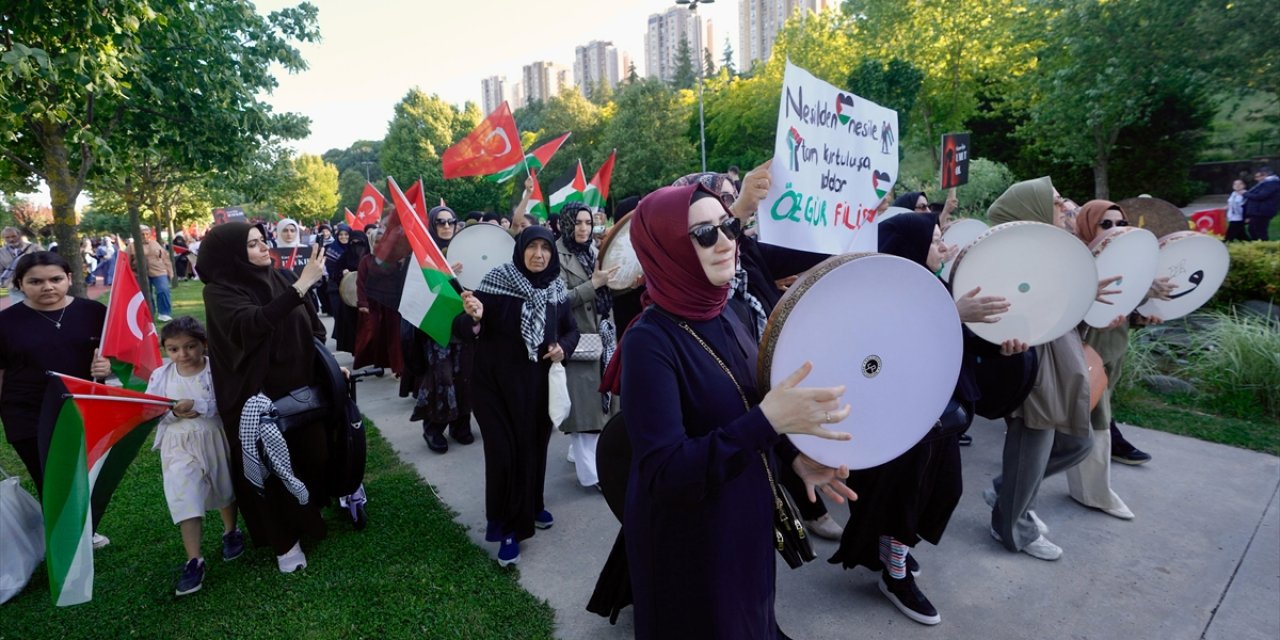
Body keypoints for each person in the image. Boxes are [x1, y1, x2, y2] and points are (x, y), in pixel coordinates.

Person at [615, 183, 856, 639]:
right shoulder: (649, 341)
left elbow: (747, 409)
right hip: (691, 540)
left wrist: (792, 458)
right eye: (704, 233)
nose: (727, 240)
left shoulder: (732, 309)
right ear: (665, 247)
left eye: (728, 225)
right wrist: (769, 422)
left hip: (745, 511)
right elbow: (665, 471)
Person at [830, 213, 1022, 625]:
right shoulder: (875, 293)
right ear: (910, 248)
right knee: (902, 495)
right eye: (936, 240)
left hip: (939, 416)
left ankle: (891, 550)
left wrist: (1000, 348)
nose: (944, 248)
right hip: (901, 419)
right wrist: (952, 310)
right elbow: (882, 352)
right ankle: (894, 573)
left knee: (939, 492)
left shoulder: (932, 285)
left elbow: (960, 343)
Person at [983, 177, 1114, 561]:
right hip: (1033, 370)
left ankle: (1007, 492)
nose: (1066, 207)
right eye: (1056, 202)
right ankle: (1012, 528)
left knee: (1077, 442)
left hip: (1060, 364)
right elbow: (1003, 316)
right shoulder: (1006, 258)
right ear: (1033, 211)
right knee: (1035, 447)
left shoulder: (1049, 253)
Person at [198, 223, 330, 573]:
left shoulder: (281, 278)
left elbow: (313, 325)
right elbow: (254, 324)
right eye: (252, 245)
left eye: (261, 242)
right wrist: (303, 284)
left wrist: (327, 364)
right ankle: (285, 542)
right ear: (231, 256)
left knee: (311, 456)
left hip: (300, 388)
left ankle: (310, 517)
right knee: (271, 471)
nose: (262, 249)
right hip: (254, 397)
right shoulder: (219, 292)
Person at [459, 226, 578, 566]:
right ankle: (507, 527)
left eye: (545, 248)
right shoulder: (497, 281)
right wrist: (477, 320)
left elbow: (571, 330)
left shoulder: (556, 288)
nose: (538, 254)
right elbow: (462, 326)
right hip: (493, 387)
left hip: (537, 386)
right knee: (504, 455)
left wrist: (561, 348)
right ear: (520, 249)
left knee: (534, 447)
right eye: (532, 247)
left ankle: (533, 504)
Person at [1061, 200, 1174, 516]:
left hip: (1115, 349)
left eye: (1121, 223)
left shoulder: (1129, 261)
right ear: (1087, 226)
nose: (1116, 230)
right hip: (1086, 351)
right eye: (1105, 224)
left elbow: (1125, 307)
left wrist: (1144, 309)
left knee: (1091, 419)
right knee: (1095, 421)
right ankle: (1095, 494)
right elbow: (1062, 314)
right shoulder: (1075, 262)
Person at [0, 251, 114, 548]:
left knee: (84, 472)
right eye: (35, 281)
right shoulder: (5, 322)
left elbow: (119, 354)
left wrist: (109, 366)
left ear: (70, 279)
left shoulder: (93, 312)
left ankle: (82, 529)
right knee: (48, 476)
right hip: (26, 411)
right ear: (19, 284)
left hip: (81, 405)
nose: (47, 287)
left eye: (55, 279)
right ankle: (66, 541)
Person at [146, 316, 243, 596]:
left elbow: (227, 401)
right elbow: (150, 411)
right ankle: (194, 558)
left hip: (213, 436)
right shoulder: (161, 375)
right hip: (177, 444)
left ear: (204, 345)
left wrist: (198, 405)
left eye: (190, 346)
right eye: (174, 349)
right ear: (165, 349)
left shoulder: (215, 370)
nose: (183, 354)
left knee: (223, 487)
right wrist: (172, 412)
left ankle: (231, 531)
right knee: (183, 493)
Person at [554, 202, 619, 488]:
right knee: (585, 407)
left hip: (603, 334)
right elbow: (556, 301)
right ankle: (591, 476)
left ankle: (582, 458)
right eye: (578, 222)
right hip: (577, 338)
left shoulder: (594, 250)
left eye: (587, 223)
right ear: (566, 223)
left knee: (602, 403)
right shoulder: (555, 254)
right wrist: (592, 284)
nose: (583, 228)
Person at [408, 206, 474, 453]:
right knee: (441, 378)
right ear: (432, 225)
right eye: (440, 222)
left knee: (465, 377)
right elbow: (416, 294)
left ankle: (460, 425)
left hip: (466, 327)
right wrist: (444, 276)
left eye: (451, 221)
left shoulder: (467, 250)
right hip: (437, 329)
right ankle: (433, 428)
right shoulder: (422, 257)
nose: (447, 226)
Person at [354, 228, 405, 374]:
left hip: (393, 305)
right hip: (373, 306)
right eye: (377, 241)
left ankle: (398, 368)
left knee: (394, 338)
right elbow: (361, 283)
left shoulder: (397, 260)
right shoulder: (366, 261)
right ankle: (379, 364)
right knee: (375, 336)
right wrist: (363, 304)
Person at [134, 226, 175, 322]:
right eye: (142, 234)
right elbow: (126, 261)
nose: (145, 236)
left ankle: (164, 313)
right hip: (141, 274)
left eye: (147, 233)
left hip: (159, 272)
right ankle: (149, 314)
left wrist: (170, 271)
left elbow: (165, 258)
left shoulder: (156, 244)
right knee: (146, 295)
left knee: (163, 290)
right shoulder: (132, 246)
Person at [1, 227, 41, 302]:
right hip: (14, 287)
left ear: (19, 235)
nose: (11, 239)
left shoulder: (34, 248)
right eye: (7, 237)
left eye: (13, 236)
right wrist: (6, 282)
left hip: (35, 284)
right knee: (19, 308)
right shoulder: (1, 252)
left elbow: (46, 263)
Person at [1242, 166, 1280, 240]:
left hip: (1262, 212)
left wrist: (1245, 194)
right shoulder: (1266, 183)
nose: (1257, 178)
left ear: (1265, 174)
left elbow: (1261, 196)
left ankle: (1263, 246)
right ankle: (1259, 245)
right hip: (1258, 211)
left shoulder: (1271, 183)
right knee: (1253, 230)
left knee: (1259, 231)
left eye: (1260, 175)